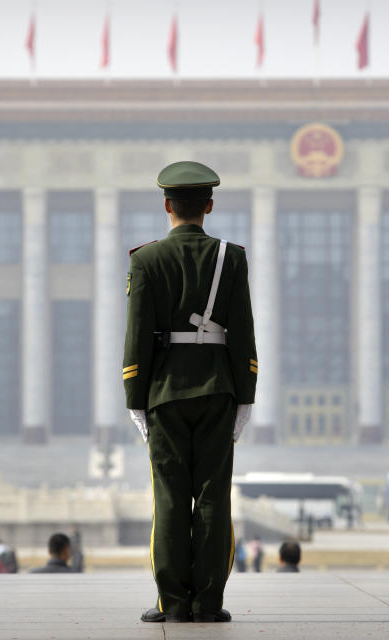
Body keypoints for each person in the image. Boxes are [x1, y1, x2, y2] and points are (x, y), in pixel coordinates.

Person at [124, 160, 257, 624]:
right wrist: (246, 395)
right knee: (214, 495)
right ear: (209, 206)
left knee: (170, 497)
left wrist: (134, 397)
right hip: (218, 390)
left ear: (167, 206)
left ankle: (172, 602)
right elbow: (242, 332)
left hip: (163, 393)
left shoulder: (145, 260)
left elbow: (137, 335)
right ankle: (209, 602)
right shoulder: (231, 257)